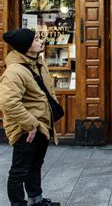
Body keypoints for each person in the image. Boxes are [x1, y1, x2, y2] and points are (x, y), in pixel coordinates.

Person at [0, 28, 60, 206]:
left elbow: (47, 92)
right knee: (19, 171)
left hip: (41, 125)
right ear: (26, 46)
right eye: (35, 39)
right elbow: (8, 103)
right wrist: (30, 124)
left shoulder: (38, 63)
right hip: (26, 129)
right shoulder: (15, 71)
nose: (40, 41)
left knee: (35, 165)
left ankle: (36, 200)